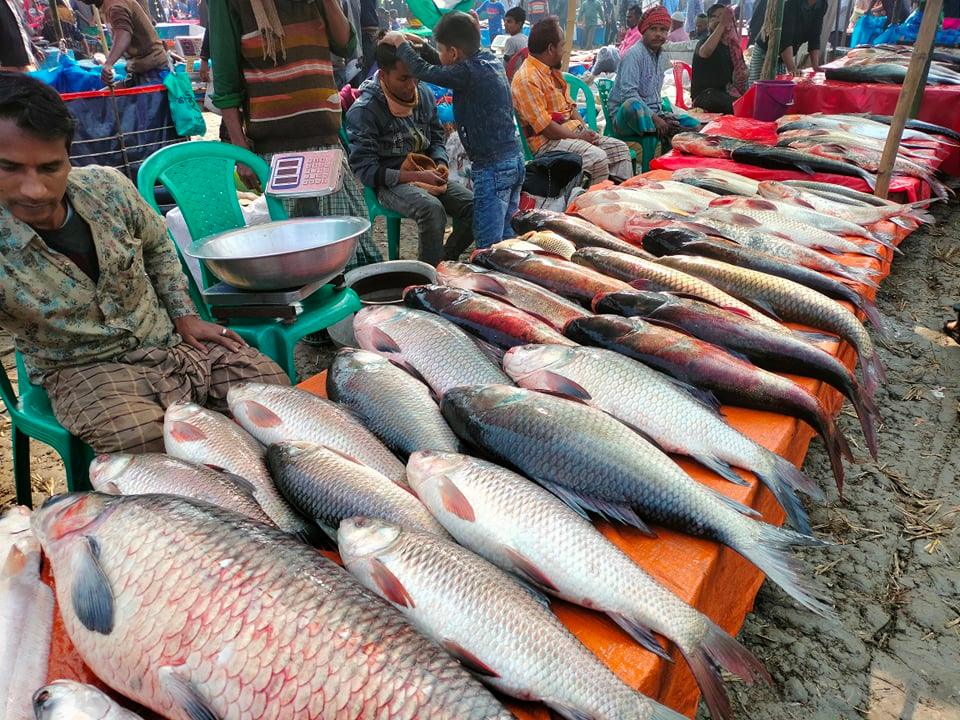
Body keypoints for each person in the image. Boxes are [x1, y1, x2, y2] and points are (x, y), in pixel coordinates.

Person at [0, 73, 289, 454]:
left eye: (50, 168)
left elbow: (157, 246)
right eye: (9, 168)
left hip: (168, 342)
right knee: (152, 452)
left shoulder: (108, 189)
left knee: (274, 394)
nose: (34, 189)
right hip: (87, 371)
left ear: (70, 158)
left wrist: (184, 314)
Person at [210, 0, 382, 270]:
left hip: (325, 143)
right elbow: (225, 81)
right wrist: (241, 150)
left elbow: (346, 44)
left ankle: (352, 310)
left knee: (349, 248)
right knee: (300, 257)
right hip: (276, 152)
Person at [382, 12, 524, 247]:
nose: (438, 54)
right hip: (513, 160)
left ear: (454, 53)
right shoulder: (487, 60)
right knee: (507, 237)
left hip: (493, 169)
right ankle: (509, 277)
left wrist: (400, 43)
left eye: (441, 49)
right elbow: (441, 65)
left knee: (488, 244)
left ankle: (491, 278)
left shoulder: (466, 72)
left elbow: (424, 70)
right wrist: (420, 45)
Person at [345, 41, 474, 264]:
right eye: (403, 79)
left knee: (475, 207)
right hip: (389, 183)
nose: (411, 84)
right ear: (383, 75)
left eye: (416, 76)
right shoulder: (365, 110)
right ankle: (425, 281)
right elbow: (365, 171)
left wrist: (440, 162)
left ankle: (443, 260)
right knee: (432, 210)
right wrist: (415, 177)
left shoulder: (423, 94)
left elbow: (436, 138)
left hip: (427, 173)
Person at [513, 16, 632, 183]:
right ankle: (593, 204)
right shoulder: (526, 79)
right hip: (547, 144)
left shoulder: (551, 70)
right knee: (598, 158)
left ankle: (617, 199)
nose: (564, 50)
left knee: (620, 150)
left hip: (570, 134)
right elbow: (547, 128)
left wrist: (585, 130)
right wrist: (578, 138)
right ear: (550, 49)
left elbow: (570, 107)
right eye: (562, 45)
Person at [607, 6, 681, 141]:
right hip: (626, 118)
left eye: (663, 30)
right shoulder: (634, 55)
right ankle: (665, 131)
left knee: (693, 124)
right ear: (644, 31)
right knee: (632, 104)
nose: (659, 34)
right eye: (653, 29)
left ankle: (666, 130)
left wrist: (660, 115)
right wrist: (655, 118)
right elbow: (628, 95)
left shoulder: (661, 55)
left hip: (655, 114)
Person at [78, 0, 170, 87]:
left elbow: (123, 34)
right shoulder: (107, 6)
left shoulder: (115, 6)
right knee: (102, 96)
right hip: (138, 72)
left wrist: (108, 63)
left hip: (153, 72)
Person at [748, 0, 828, 83]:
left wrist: (815, 66)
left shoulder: (822, 4)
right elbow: (785, 37)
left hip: (783, 56)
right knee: (757, 87)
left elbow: (815, 35)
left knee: (777, 90)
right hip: (766, 50)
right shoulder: (791, 2)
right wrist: (792, 68)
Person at [691, 4, 746, 112]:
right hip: (705, 95)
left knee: (745, 101)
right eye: (714, 17)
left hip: (724, 92)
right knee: (728, 104)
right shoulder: (704, 42)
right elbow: (705, 52)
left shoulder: (732, 47)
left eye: (722, 16)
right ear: (709, 23)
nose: (718, 19)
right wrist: (722, 25)